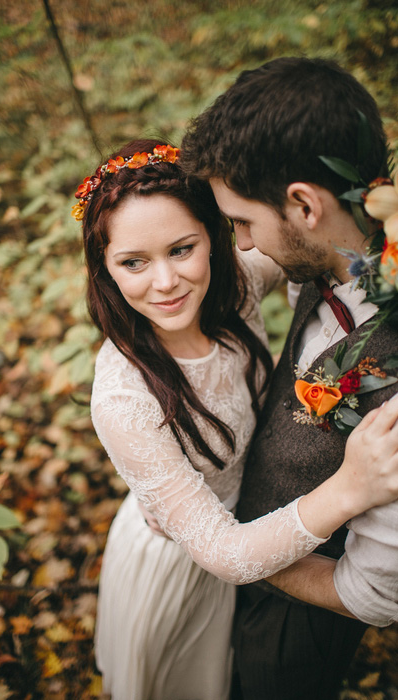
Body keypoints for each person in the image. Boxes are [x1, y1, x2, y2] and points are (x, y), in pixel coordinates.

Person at [72, 137, 398, 700]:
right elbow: (222, 552)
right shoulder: (123, 397)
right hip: (185, 558)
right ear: (105, 268)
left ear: (216, 239)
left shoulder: (236, 284)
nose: (166, 282)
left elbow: (319, 249)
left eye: (181, 249)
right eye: (133, 262)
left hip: (255, 538)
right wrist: (349, 490)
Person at [180, 56, 398, 699]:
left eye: (243, 221)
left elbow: (376, 592)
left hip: (297, 620)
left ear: (303, 204)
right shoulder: (350, 257)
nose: (242, 245)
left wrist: (243, 558)